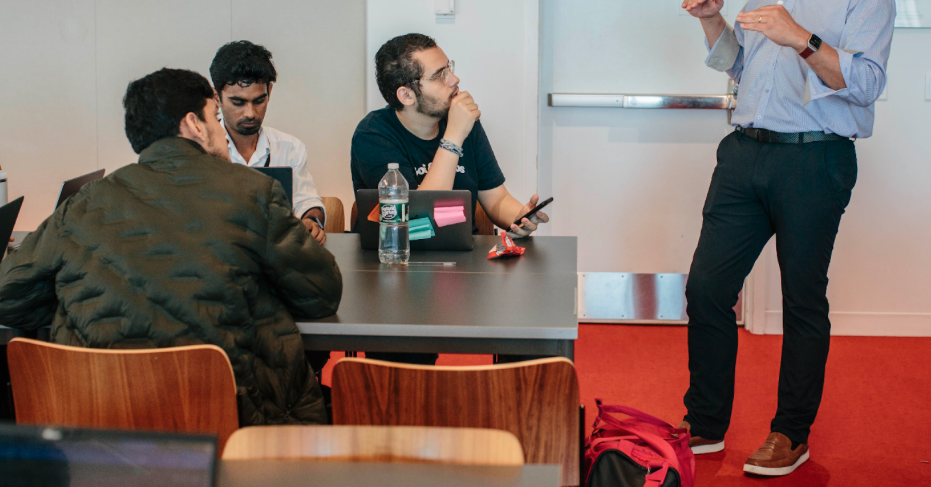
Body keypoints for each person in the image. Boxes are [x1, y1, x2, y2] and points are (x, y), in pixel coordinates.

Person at [679, 0, 894, 477]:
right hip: (744, 154)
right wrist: (713, 19)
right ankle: (706, 424)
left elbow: (867, 84)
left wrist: (801, 39)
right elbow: (740, 68)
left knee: (803, 300)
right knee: (707, 290)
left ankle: (789, 433)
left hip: (815, 160)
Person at [0, 68, 343, 426]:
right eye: (215, 116)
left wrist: (81, 301)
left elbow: (8, 295)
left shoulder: (85, 201)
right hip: (232, 426)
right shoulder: (254, 190)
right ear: (194, 124)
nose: (223, 132)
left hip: (100, 431)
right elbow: (321, 293)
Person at [351, 33, 550, 364]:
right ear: (406, 94)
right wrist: (453, 136)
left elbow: (495, 198)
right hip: (393, 272)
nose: (455, 80)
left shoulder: (464, 124)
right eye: (440, 74)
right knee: (405, 361)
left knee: (525, 328)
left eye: (450, 68)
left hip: (461, 269)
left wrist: (522, 216)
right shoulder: (373, 135)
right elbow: (414, 220)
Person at [209, 41, 327, 244]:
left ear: (269, 92)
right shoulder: (199, 149)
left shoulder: (290, 148)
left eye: (259, 101)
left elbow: (307, 201)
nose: (250, 113)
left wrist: (311, 220)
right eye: (238, 102)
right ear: (216, 97)